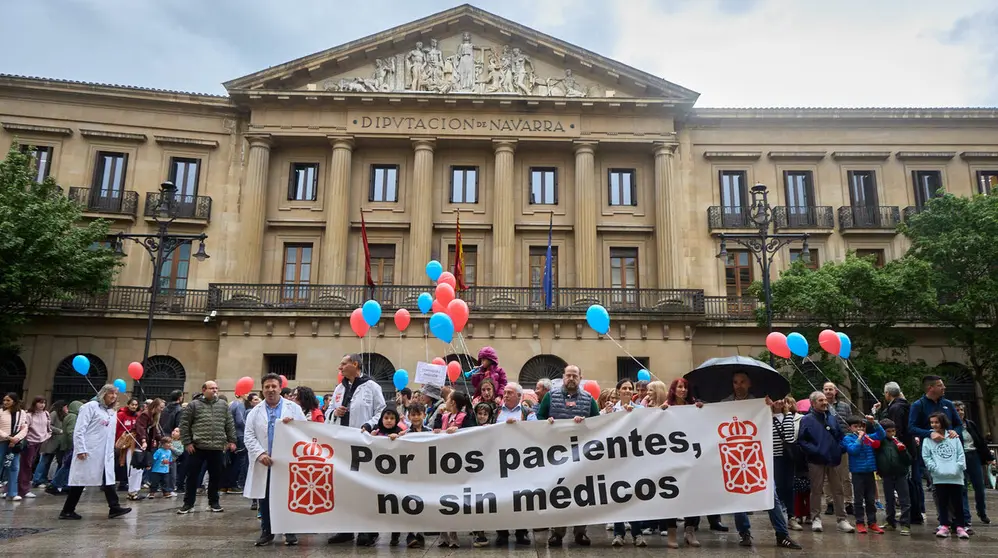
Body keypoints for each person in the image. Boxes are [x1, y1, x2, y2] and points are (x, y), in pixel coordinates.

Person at [327, 354, 387, 546]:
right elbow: (328, 412)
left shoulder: (372, 386)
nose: (340, 367)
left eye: (343, 363)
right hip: (342, 444)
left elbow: (382, 411)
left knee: (365, 487)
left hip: (364, 445)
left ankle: (368, 530)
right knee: (343, 487)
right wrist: (334, 412)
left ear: (355, 364)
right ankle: (345, 529)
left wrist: (369, 425)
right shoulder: (339, 388)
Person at [536, 365, 599, 547]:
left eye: (575, 375)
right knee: (559, 493)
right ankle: (557, 532)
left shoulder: (589, 399)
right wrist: (546, 422)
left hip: (582, 455)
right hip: (557, 455)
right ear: (563, 377)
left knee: (582, 494)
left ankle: (580, 532)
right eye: (568, 375)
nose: (571, 378)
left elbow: (598, 423)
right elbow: (539, 416)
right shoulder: (551, 396)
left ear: (580, 378)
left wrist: (585, 422)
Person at [245, 373, 305, 546]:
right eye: (267, 387)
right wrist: (260, 454)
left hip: (287, 462)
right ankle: (267, 531)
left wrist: (293, 424)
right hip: (265, 461)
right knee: (265, 497)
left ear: (280, 388)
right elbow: (248, 436)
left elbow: (304, 431)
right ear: (263, 390)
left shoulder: (293, 409)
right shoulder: (255, 412)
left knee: (288, 496)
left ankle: (290, 531)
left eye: (274, 386)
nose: (270, 390)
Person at [59, 384, 131, 520]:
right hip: (89, 451)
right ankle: (67, 510)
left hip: (104, 452)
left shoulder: (111, 412)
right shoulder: (90, 407)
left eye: (115, 394)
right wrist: (80, 448)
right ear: (103, 394)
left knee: (108, 479)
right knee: (80, 481)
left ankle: (114, 507)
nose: (114, 396)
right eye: (110, 393)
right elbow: (79, 429)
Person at [797, 391, 855, 533]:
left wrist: (840, 449)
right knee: (816, 490)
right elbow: (802, 440)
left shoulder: (832, 418)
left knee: (838, 489)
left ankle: (842, 519)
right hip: (816, 460)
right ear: (813, 403)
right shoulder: (807, 420)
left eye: (825, 400)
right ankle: (816, 517)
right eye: (820, 400)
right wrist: (815, 450)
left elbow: (841, 436)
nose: (824, 402)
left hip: (833, 459)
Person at [177, 380, 236, 514]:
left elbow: (229, 423)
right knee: (192, 476)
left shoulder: (223, 405)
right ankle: (188, 503)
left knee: (215, 477)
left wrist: (232, 440)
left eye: (216, 388)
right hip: (197, 447)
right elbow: (184, 424)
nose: (215, 391)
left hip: (217, 447)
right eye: (211, 388)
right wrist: (187, 442)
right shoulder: (193, 405)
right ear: (204, 390)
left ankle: (214, 502)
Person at [922, 411, 969, 539]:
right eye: (932, 422)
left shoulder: (953, 437)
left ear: (942, 422)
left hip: (955, 475)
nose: (934, 424)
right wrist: (934, 468)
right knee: (942, 502)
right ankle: (944, 525)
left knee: (957, 502)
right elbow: (926, 456)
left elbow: (960, 453)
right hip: (939, 475)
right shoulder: (928, 439)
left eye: (936, 422)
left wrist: (958, 467)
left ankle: (960, 526)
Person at [841, 415, 886, 534]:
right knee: (858, 499)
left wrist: (874, 423)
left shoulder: (869, 437)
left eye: (861, 427)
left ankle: (872, 522)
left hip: (870, 471)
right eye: (856, 427)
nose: (859, 429)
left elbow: (882, 435)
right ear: (850, 428)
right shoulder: (848, 439)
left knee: (871, 499)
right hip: (857, 473)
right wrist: (859, 439)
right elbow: (853, 450)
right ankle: (860, 522)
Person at [954, 401, 991, 526]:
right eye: (957, 410)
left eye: (961, 410)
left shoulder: (970, 424)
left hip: (973, 455)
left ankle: (982, 512)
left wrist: (989, 456)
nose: (959, 412)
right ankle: (966, 517)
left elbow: (980, 441)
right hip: (960, 457)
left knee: (979, 487)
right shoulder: (951, 426)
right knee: (962, 487)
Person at [822, 382, 854, 517]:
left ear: (836, 391)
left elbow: (850, 424)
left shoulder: (844, 406)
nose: (828, 391)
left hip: (842, 443)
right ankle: (830, 502)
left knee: (845, 475)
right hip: (826, 445)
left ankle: (848, 502)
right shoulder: (820, 407)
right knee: (827, 476)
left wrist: (846, 439)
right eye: (826, 389)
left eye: (831, 389)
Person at [875, 418, 912, 535]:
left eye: (893, 431)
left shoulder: (898, 442)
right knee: (889, 499)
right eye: (889, 431)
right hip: (887, 475)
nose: (892, 434)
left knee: (904, 500)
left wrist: (903, 451)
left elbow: (908, 460)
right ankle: (890, 521)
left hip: (900, 474)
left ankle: (905, 524)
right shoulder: (880, 443)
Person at [399, 402, 428, 548]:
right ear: (409, 416)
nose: (416, 417)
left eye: (418, 414)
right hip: (410, 474)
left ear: (424, 414)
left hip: (425, 474)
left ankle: (420, 533)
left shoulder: (429, 432)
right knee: (410, 503)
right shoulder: (405, 434)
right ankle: (410, 534)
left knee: (423, 503)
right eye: (413, 415)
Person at [18, 395, 51, 498]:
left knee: (30, 465)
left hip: (41, 442)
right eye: (40, 402)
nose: (42, 405)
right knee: (26, 465)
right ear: (34, 403)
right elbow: (24, 428)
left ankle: (22, 488)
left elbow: (48, 427)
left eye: (44, 402)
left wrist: (47, 435)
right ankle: (23, 489)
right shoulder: (29, 415)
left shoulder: (46, 413)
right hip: (30, 442)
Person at [46, 400, 79, 495]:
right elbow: (70, 432)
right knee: (67, 465)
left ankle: (63, 485)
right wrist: (74, 444)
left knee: (65, 465)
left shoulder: (69, 416)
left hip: (65, 444)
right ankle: (56, 484)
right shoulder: (73, 417)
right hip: (69, 446)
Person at [133, 398, 164, 497]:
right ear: (155, 406)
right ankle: (133, 491)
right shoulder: (145, 414)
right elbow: (141, 428)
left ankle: (134, 491)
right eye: (161, 407)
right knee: (135, 468)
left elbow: (152, 431)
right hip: (138, 443)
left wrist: (160, 439)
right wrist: (143, 440)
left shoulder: (154, 416)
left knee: (140, 468)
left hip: (145, 444)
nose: (162, 409)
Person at [0, 392, 28, 500]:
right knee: (1, 464)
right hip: (2, 442)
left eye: (8, 400)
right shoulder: (1, 412)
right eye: (4, 400)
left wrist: (17, 438)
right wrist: (8, 437)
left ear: (14, 401)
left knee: (14, 466)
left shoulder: (21, 413)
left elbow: (24, 427)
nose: (5, 402)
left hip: (15, 444)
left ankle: (12, 492)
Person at [33, 399, 66, 488]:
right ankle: (37, 480)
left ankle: (43, 479)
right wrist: (59, 431)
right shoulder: (54, 413)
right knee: (44, 461)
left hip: (57, 443)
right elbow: (48, 425)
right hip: (50, 441)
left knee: (50, 461)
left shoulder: (62, 415)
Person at [115, 397, 142, 498]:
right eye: (132, 404)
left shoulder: (138, 416)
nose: (134, 406)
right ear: (128, 404)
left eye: (136, 405)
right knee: (122, 464)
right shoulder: (121, 415)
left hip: (133, 444)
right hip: (122, 443)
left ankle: (128, 486)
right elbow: (116, 428)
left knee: (131, 465)